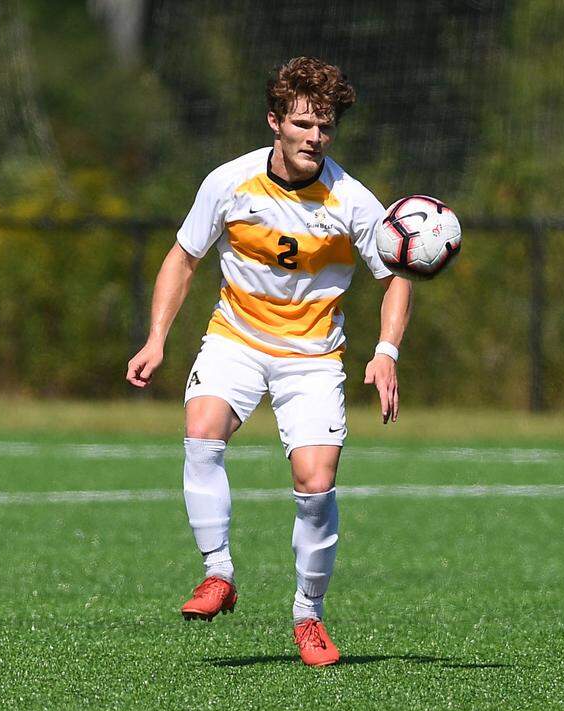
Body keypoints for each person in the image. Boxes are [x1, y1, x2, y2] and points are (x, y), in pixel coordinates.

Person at [125, 56, 412, 667]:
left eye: (325, 127)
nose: (315, 138)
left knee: (316, 483)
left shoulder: (353, 201)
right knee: (201, 430)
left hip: (312, 357)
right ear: (275, 123)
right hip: (237, 338)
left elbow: (396, 277)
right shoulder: (228, 182)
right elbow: (183, 258)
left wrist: (385, 351)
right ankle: (218, 573)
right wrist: (157, 339)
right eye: (304, 124)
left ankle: (308, 615)